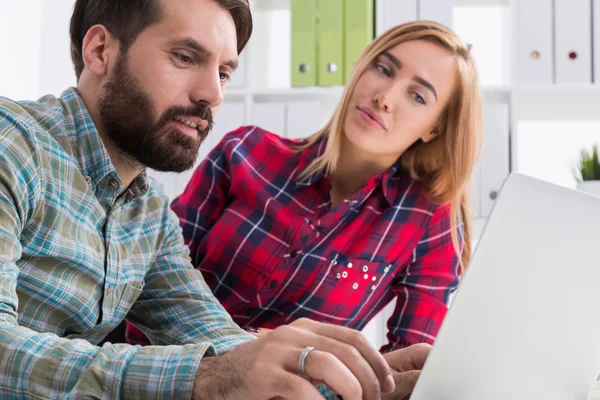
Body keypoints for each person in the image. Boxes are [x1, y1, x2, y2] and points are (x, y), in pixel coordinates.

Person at [0, 0, 430, 399]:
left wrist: (354, 381)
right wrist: (207, 378)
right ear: (99, 51)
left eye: (224, 73)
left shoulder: (148, 213)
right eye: (186, 58)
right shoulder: (13, 143)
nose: (213, 94)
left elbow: (219, 342)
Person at [127, 19, 482, 352]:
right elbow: (149, 283)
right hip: (160, 376)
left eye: (418, 96)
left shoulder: (426, 225)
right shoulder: (245, 153)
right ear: (361, 70)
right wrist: (247, 354)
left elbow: (408, 369)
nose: (385, 97)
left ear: (434, 129)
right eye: (383, 69)